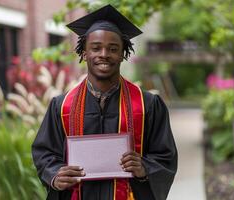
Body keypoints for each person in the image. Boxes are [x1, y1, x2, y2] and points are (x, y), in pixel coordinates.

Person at [32, 4, 177, 200]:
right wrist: (55, 174)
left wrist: (145, 168)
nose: (104, 54)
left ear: (123, 54)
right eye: (96, 48)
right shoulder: (61, 106)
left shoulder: (148, 105)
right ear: (84, 52)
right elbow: (44, 153)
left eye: (113, 48)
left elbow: (165, 157)